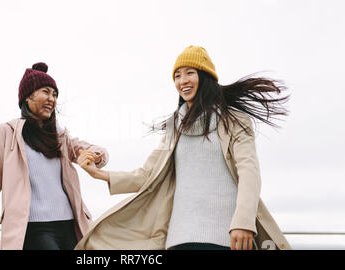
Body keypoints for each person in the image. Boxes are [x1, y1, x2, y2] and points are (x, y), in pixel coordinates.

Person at [74, 46, 291, 250]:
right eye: (177, 76)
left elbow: (249, 174)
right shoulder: (173, 127)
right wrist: (99, 174)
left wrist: (244, 222)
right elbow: (147, 174)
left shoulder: (234, 121)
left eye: (189, 73)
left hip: (226, 236)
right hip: (179, 238)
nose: (182, 81)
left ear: (205, 77)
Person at [0, 62, 108, 250]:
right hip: (34, 230)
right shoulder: (6, 134)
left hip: (71, 226)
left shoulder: (60, 136)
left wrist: (95, 156)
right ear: (28, 96)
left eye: (55, 95)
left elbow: (97, 150)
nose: (52, 99)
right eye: (45, 92)